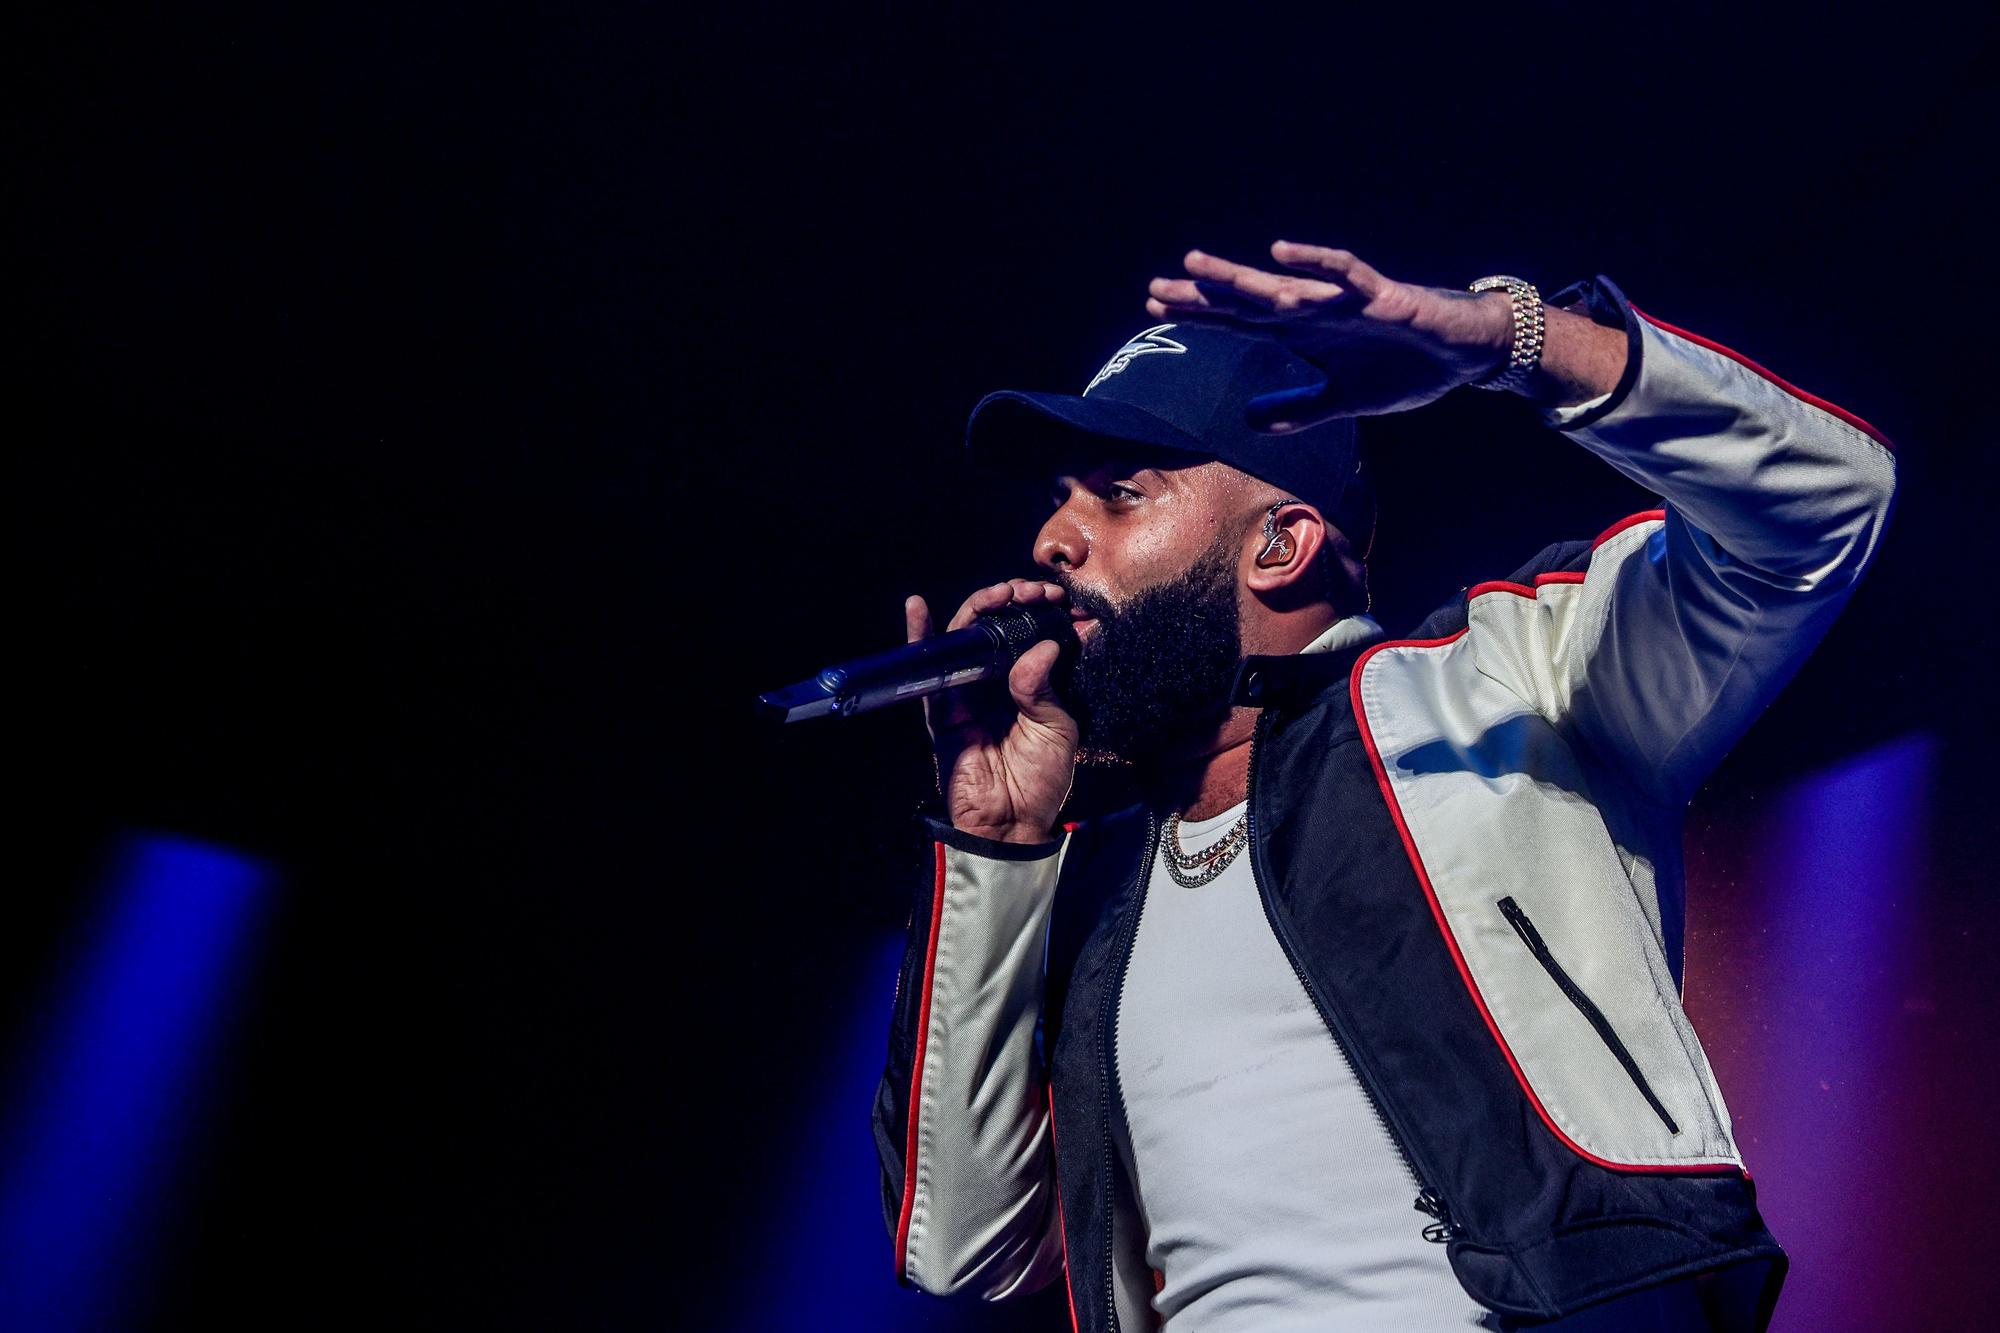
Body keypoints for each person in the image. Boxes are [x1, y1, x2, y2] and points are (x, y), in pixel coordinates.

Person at [871, 242, 1898, 1331]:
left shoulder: (1508, 681)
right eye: (1058, 499)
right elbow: (963, 1247)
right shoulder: (1099, 889)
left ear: (1281, 543)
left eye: (1120, 495)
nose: (1053, 537)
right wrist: (992, 839)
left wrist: (1512, 339)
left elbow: (1826, 503)